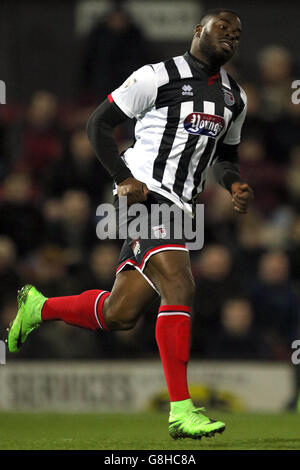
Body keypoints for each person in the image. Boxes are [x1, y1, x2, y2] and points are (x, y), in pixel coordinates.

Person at [8, 9, 253, 440]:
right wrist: (123, 178)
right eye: (222, 29)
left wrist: (233, 184)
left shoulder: (236, 98)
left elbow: (226, 158)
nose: (230, 37)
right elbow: (97, 124)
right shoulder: (156, 76)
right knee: (180, 286)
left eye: (236, 34)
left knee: (120, 314)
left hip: (182, 207)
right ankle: (181, 409)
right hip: (142, 193)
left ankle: (39, 308)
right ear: (199, 31)